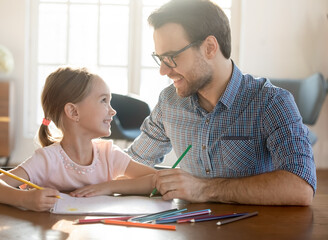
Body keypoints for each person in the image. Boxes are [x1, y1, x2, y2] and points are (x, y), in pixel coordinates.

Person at [127, 0, 316, 205]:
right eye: (160, 58)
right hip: (188, 229)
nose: (163, 71)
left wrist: (203, 189)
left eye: (171, 57)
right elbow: (129, 165)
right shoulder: (169, 102)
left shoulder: (272, 102)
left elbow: (300, 187)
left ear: (209, 47)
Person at [0, 67, 156, 212]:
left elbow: (158, 180)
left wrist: (110, 186)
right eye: (104, 100)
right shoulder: (47, 159)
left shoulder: (109, 154)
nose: (113, 111)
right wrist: (25, 199)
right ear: (73, 112)